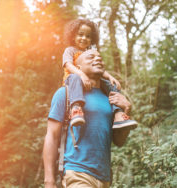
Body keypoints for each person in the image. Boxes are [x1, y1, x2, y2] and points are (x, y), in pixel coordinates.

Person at [43, 49, 135, 188]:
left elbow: (119, 141)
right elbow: (52, 136)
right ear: (78, 67)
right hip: (77, 172)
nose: (97, 59)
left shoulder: (111, 99)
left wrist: (127, 109)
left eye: (100, 57)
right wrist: (49, 180)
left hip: (105, 178)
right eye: (91, 57)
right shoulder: (65, 93)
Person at [62, 18, 137, 130]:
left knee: (110, 85)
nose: (84, 38)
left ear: (92, 39)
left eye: (88, 36)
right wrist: (81, 75)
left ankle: (118, 114)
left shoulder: (90, 51)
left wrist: (110, 77)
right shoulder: (70, 50)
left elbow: (99, 69)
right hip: (73, 80)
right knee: (75, 77)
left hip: (91, 81)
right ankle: (76, 109)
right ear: (73, 36)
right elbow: (68, 65)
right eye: (80, 35)